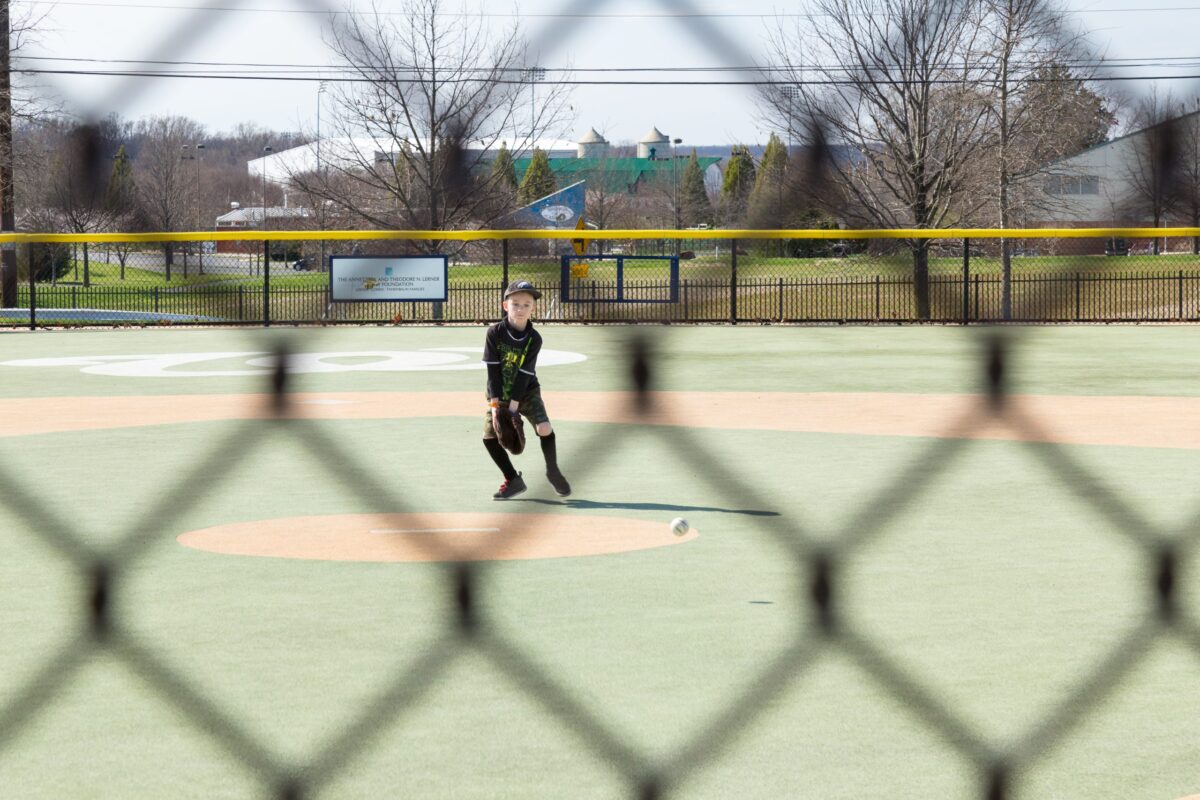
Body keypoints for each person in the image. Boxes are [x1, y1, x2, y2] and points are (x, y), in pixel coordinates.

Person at [482, 279, 571, 500]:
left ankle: (552, 470)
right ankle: (512, 479)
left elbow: (525, 373)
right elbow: (492, 371)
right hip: (499, 394)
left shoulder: (534, 338)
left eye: (526, 304)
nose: (520, 309)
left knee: (544, 428)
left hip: (527, 391)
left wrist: (513, 408)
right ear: (505, 306)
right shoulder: (495, 333)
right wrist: (496, 407)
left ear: (533, 308)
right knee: (489, 437)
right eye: (515, 304)